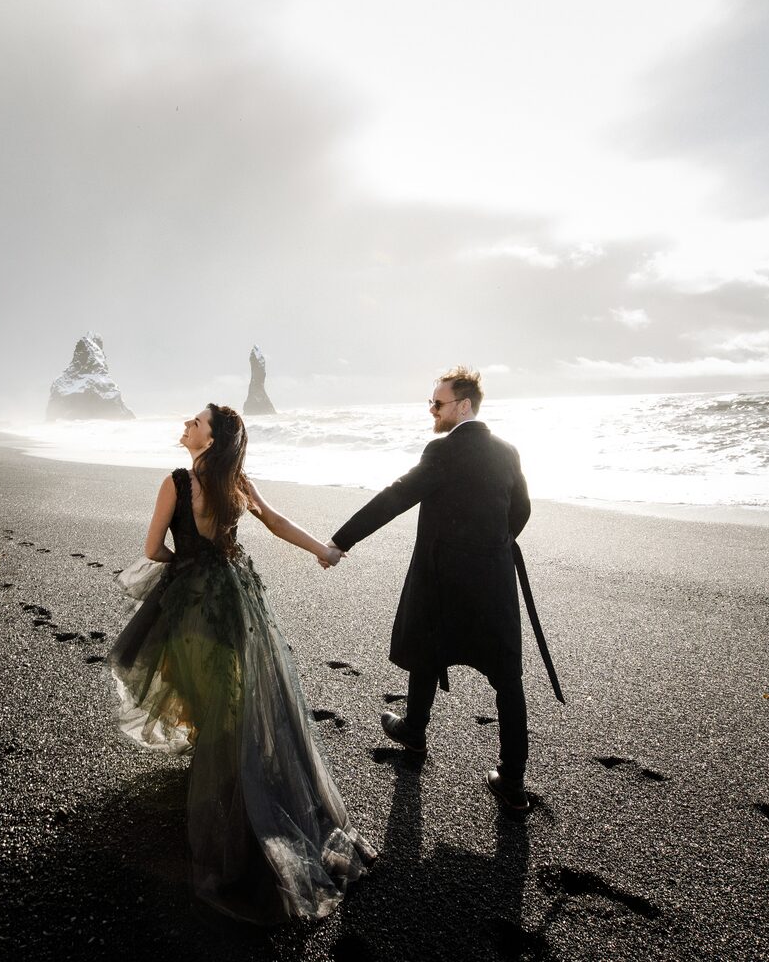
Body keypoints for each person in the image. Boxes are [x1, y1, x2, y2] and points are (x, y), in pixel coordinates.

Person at [108, 403, 375, 924]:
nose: (186, 425)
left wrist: (186, 561)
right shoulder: (236, 481)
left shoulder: (178, 482)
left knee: (195, 683)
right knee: (237, 687)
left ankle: (229, 801)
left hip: (191, 597)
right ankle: (239, 778)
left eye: (195, 422)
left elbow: (152, 548)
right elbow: (275, 523)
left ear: (210, 439)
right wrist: (323, 548)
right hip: (236, 596)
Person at [327, 366, 543, 812]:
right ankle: (512, 780)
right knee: (507, 679)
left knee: (429, 647)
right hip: (494, 581)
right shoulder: (508, 452)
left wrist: (340, 540)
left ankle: (415, 731)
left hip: (442, 577)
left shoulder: (443, 451)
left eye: (437, 403)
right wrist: (493, 547)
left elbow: (397, 495)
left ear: (463, 406)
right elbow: (520, 510)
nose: (432, 409)